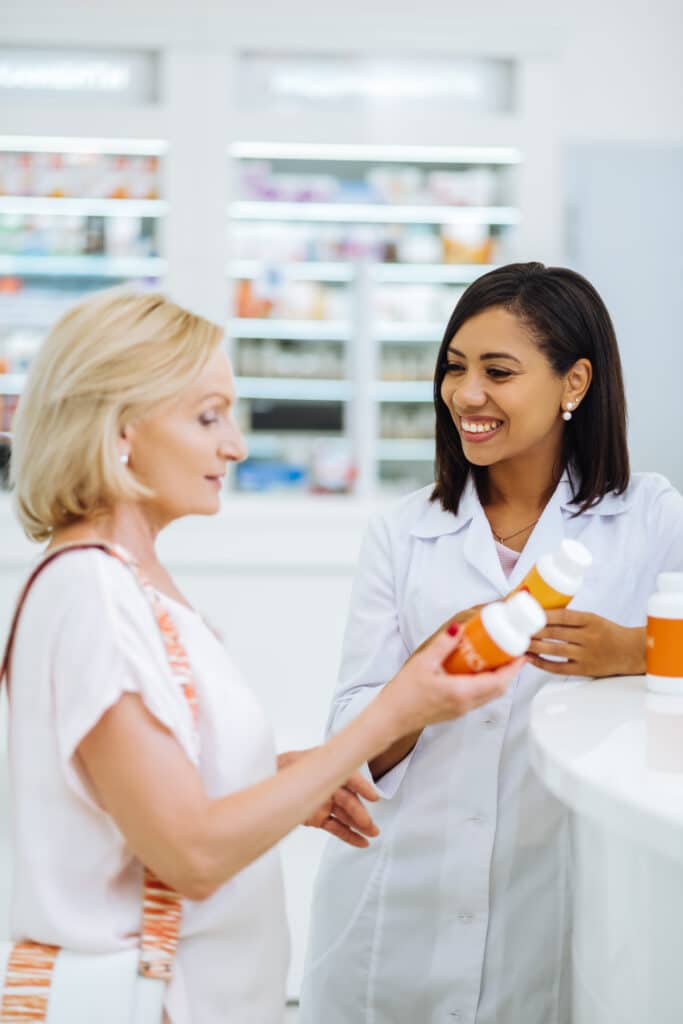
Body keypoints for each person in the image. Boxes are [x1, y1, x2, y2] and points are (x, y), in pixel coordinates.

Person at [1, 289, 520, 1024]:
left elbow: (162, 799)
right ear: (119, 428)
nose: (235, 445)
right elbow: (190, 853)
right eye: (207, 416)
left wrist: (290, 781)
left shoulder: (131, 585)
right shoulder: (90, 593)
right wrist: (395, 712)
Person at [299, 262, 683, 1024]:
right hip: (397, 895)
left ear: (573, 383)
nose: (464, 394)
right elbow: (346, 744)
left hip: (556, 899)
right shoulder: (403, 530)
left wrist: (633, 650)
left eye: (497, 372)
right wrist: (418, 690)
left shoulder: (648, 518)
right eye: (453, 368)